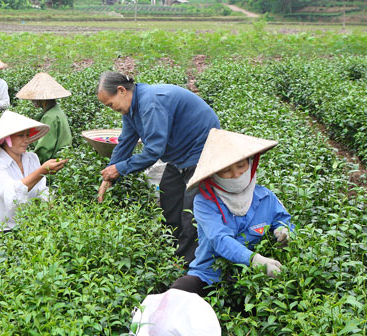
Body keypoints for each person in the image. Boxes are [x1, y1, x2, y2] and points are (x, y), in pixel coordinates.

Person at [96, 71, 220, 265]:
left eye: (110, 104)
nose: (111, 109)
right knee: (169, 202)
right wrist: (109, 175)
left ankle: (189, 266)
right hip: (178, 155)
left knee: (191, 213)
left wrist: (121, 169)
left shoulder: (151, 103)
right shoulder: (131, 109)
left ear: (121, 90)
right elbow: (126, 142)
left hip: (200, 152)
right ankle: (171, 255)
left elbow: (154, 151)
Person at [171, 129, 294, 296]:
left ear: (251, 163)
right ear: (214, 174)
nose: (236, 175)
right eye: (226, 170)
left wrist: (284, 230)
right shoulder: (204, 202)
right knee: (180, 292)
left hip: (252, 279)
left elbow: (282, 219)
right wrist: (253, 259)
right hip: (210, 276)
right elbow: (220, 239)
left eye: (241, 166)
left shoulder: (266, 197)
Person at [0, 110, 68, 233]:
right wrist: (42, 171)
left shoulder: (32, 158)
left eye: (27, 135)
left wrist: (54, 208)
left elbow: (41, 190)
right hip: (0, 231)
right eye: (20, 136)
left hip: (28, 227)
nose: (26, 140)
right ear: (7, 139)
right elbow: (12, 195)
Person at [16, 72, 72, 163]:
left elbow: (44, 150)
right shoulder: (57, 111)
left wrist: (33, 163)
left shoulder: (49, 117)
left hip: (54, 163)